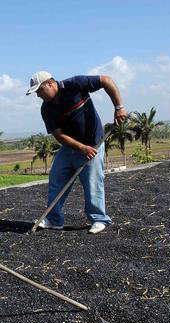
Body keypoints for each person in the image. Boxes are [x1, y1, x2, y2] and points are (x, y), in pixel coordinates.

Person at [26, 71, 127, 234]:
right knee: (56, 179)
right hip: (70, 148)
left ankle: (99, 219)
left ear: (50, 84)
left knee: (93, 183)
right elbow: (59, 135)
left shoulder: (75, 84)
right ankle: (54, 220)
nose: (38, 95)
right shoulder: (47, 109)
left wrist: (119, 107)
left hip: (93, 144)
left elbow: (106, 81)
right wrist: (81, 148)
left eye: (39, 90)